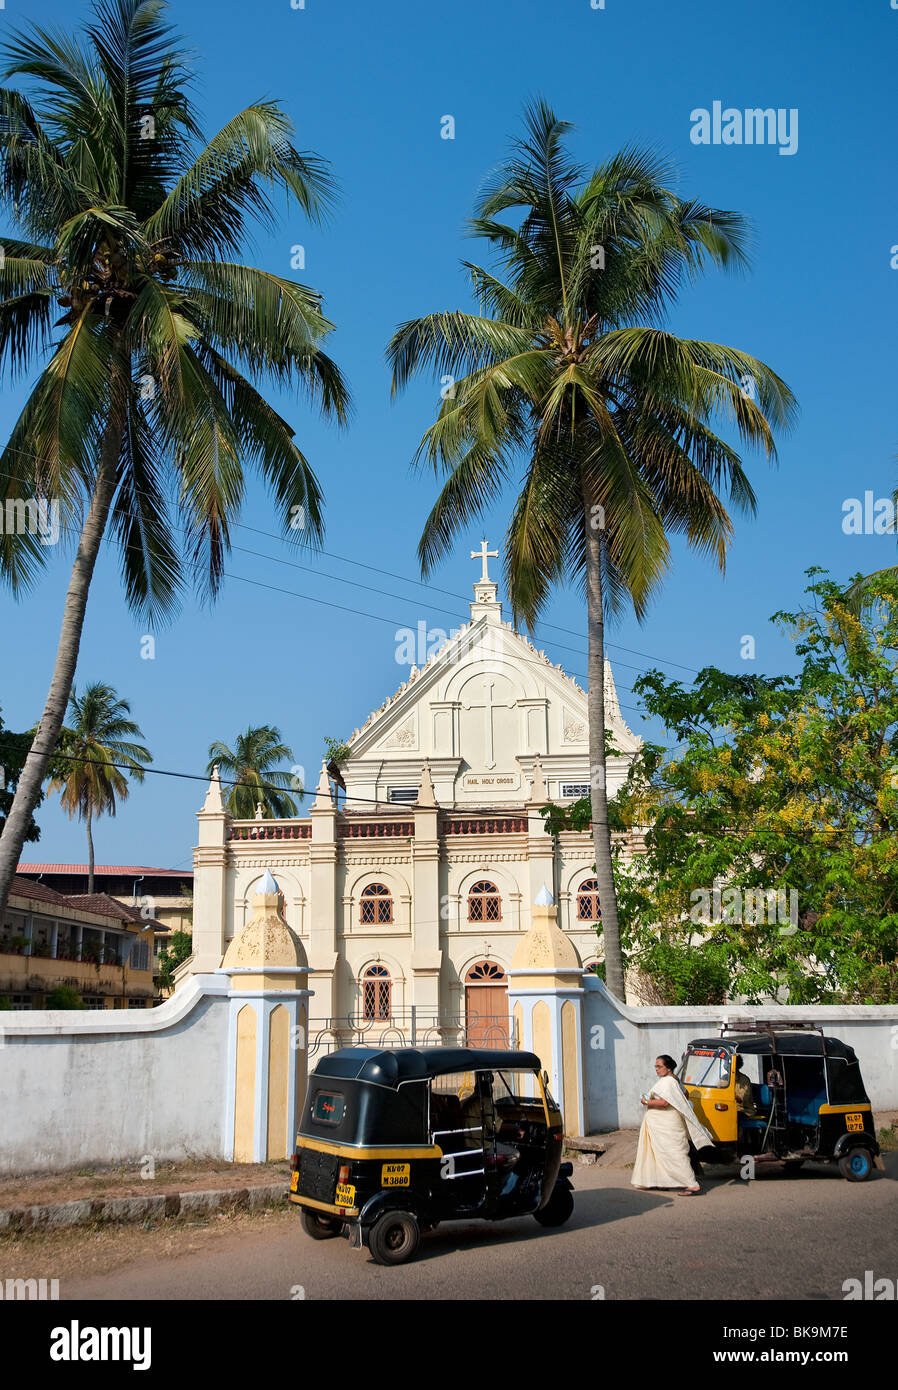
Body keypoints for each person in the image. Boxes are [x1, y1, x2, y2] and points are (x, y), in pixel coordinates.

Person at [631, 1054, 715, 1196]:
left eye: (659, 1066)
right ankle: (661, 1181)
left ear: (668, 1068)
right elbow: (685, 1095)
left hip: (667, 1124)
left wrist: (646, 1102)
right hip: (660, 1124)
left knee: (673, 1153)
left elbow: (665, 1102)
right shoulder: (673, 1081)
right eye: (655, 1066)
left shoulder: (669, 1082)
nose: (656, 1069)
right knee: (659, 1153)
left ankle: (691, 1184)